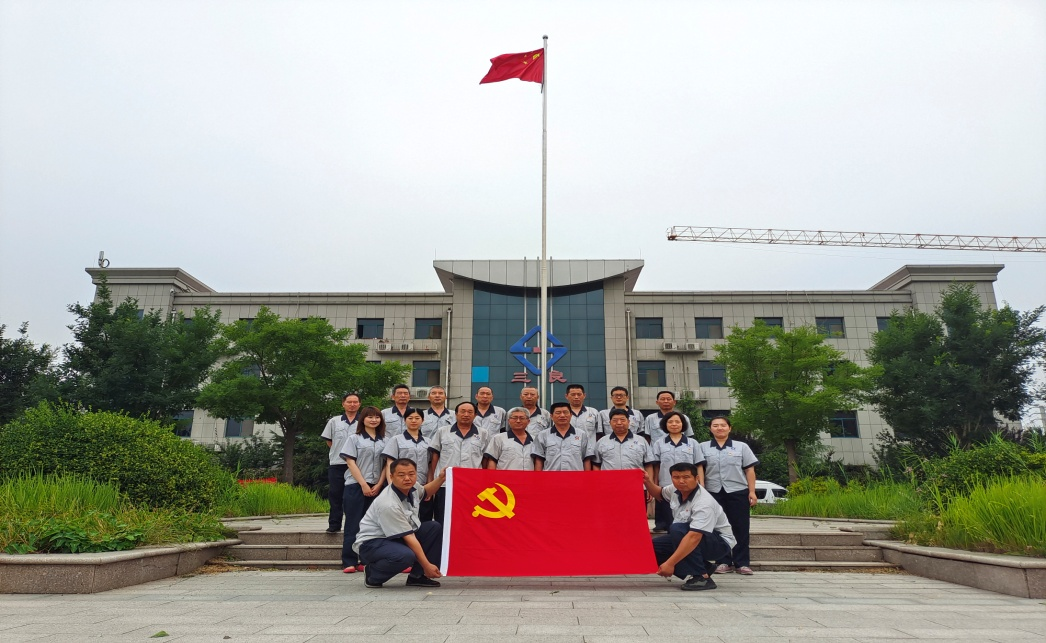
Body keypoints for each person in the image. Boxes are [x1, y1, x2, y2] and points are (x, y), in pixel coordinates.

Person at [355, 458, 447, 588]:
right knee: (405, 556)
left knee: (433, 527)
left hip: (396, 537)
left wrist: (441, 478)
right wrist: (427, 565)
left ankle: (417, 576)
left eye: (411, 474)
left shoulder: (412, 488)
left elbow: (425, 491)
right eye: (401, 475)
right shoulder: (388, 503)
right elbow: (409, 537)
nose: (407, 478)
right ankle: (373, 574)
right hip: (373, 543)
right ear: (391, 477)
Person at [643, 462, 735, 591]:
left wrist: (670, 563)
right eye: (676, 477)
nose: (681, 481)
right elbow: (660, 494)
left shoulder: (704, 502)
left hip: (718, 543)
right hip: (690, 535)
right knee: (651, 549)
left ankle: (702, 577)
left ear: (696, 478)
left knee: (677, 529)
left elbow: (694, 537)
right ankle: (704, 567)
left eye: (686, 477)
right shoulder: (675, 490)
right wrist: (647, 481)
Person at [700, 415, 758, 576]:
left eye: (723, 425)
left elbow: (749, 470)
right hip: (713, 492)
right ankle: (723, 561)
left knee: (740, 527)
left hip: (737, 491)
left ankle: (742, 563)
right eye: (715, 425)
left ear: (729, 428)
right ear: (710, 428)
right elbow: (699, 469)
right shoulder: (702, 447)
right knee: (717, 527)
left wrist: (752, 491)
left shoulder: (741, 447)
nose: (719, 428)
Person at [339, 406, 387, 573]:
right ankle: (349, 561)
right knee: (353, 524)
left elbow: (387, 465)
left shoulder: (385, 440)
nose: (374, 420)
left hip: (377, 487)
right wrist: (363, 485)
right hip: (356, 486)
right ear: (363, 420)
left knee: (372, 526)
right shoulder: (354, 439)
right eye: (370, 417)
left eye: (377, 417)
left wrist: (379, 484)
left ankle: (366, 560)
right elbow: (350, 462)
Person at [428, 401, 489, 522]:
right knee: (443, 517)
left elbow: (485, 459)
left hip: (472, 484)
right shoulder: (443, 431)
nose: (466, 414)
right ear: (456, 414)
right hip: (445, 484)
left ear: (475, 415)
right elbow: (435, 457)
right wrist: (434, 480)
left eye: (470, 412)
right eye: (462, 411)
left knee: (469, 518)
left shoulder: (483, 434)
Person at [649, 410, 706, 533]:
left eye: (677, 422)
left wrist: (701, 483)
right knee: (669, 522)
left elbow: (699, 465)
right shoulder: (659, 443)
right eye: (670, 422)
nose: (674, 424)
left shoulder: (693, 443)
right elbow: (656, 466)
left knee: (688, 521)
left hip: (689, 486)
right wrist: (654, 484)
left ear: (683, 424)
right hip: (666, 485)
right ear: (665, 424)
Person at [382, 407, 434, 522]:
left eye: (417, 418)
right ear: (405, 420)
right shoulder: (396, 440)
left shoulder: (428, 442)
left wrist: (430, 485)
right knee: (401, 519)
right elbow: (390, 463)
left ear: (422, 420)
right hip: (402, 485)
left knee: (424, 518)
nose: (413, 421)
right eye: (410, 418)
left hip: (422, 486)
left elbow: (430, 465)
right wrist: (392, 485)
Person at [320, 393, 360, 533]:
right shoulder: (334, 421)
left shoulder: (363, 421)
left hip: (357, 465)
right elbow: (329, 441)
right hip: (337, 463)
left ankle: (354, 525)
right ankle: (334, 524)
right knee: (335, 494)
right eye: (349, 402)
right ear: (343, 404)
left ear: (359, 404)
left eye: (355, 402)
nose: (352, 404)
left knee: (354, 496)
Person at [532, 402, 595, 471]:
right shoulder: (542, 435)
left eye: (565, 412)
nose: (562, 415)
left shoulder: (581, 434)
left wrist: (586, 477)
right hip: (551, 477)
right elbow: (539, 460)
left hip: (576, 477)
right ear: (551, 416)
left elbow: (586, 459)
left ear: (571, 415)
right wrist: (538, 477)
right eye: (558, 413)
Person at [593, 408, 655, 474]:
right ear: (610, 423)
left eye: (622, 420)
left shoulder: (641, 441)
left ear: (628, 422)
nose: (619, 423)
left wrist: (649, 480)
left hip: (635, 479)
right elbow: (596, 464)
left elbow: (648, 465)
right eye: (615, 420)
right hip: (609, 480)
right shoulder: (602, 442)